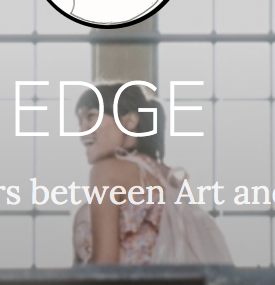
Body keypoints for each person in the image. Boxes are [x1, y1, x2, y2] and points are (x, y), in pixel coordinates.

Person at [71, 83, 231, 265]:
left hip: (131, 283)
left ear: (129, 121)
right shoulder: (170, 178)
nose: (82, 130)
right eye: (80, 121)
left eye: (91, 116)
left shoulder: (106, 172)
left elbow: (104, 263)